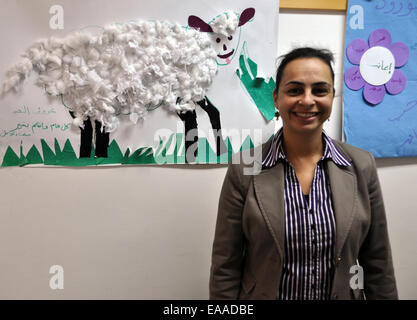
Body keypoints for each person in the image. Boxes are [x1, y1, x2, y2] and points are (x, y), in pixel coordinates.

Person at [209, 47, 398, 300]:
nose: (307, 100)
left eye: (320, 90)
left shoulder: (361, 165)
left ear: (332, 96)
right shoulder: (244, 167)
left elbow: (378, 263)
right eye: (295, 90)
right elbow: (226, 266)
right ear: (276, 98)